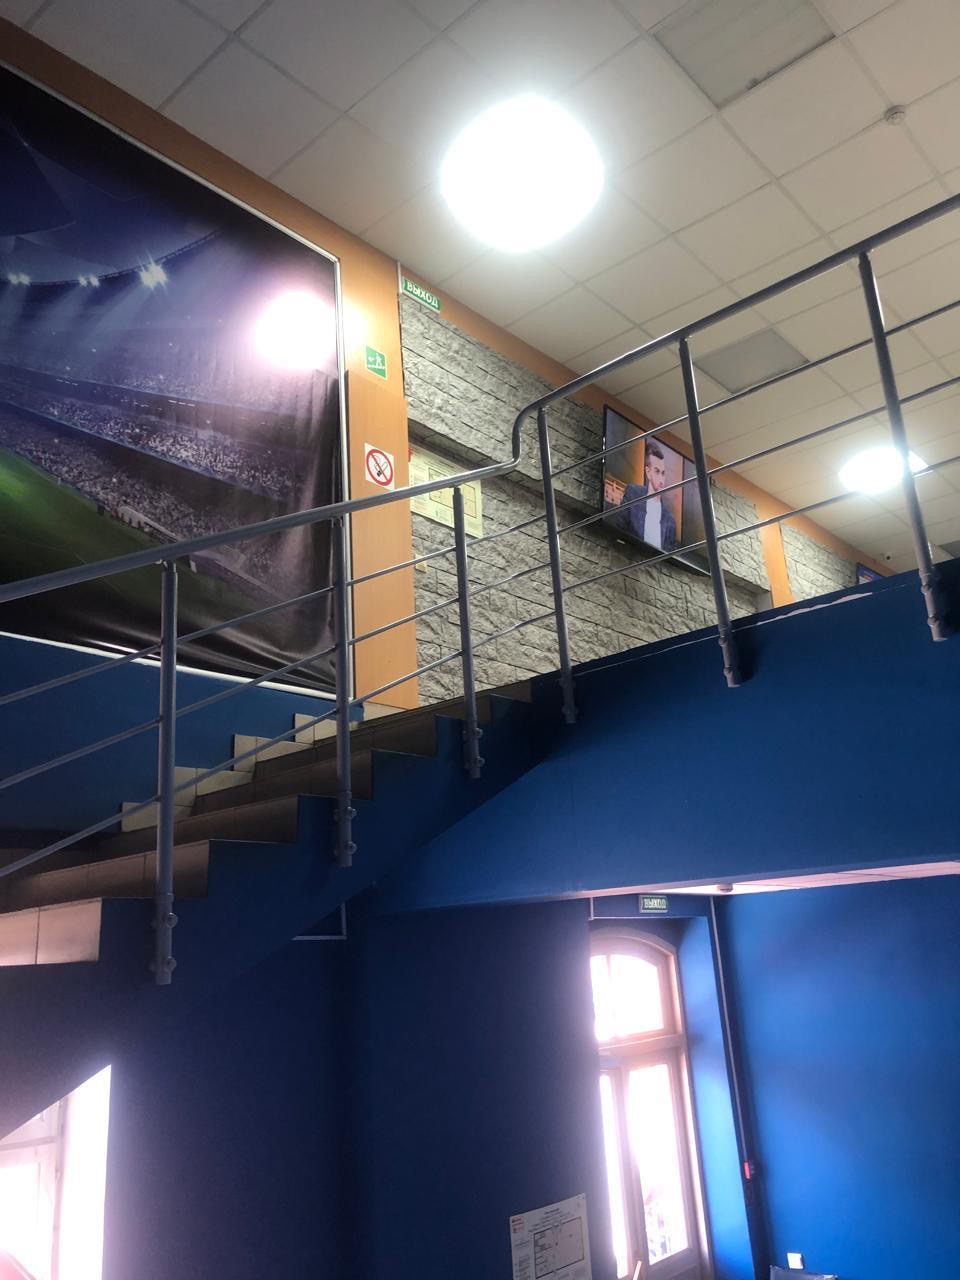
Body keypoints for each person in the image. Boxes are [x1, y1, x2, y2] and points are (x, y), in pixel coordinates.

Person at [615, 441, 678, 551]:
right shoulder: (633, 494)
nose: (661, 480)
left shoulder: (669, 519)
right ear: (648, 472)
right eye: (657, 472)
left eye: (663, 473)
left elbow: (670, 555)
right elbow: (619, 529)